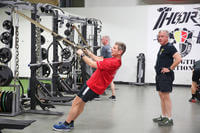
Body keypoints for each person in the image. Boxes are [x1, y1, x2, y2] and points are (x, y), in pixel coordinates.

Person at [53, 42, 126, 132]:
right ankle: (70, 121)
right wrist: (88, 53)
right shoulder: (115, 60)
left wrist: (82, 54)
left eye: (114, 48)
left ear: (120, 51)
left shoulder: (113, 62)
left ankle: (66, 124)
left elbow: (92, 64)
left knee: (76, 102)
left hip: (93, 86)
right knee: (81, 103)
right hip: (94, 84)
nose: (111, 49)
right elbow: (98, 59)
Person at [153, 30, 182, 126]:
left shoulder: (170, 47)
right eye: (159, 36)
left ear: (167, 37)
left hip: (165, 76)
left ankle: (169, 118)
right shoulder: (163, 47)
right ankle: (164, 116)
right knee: (161, 96)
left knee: (166, 96)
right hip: (159, 75)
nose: (159, 38)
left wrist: (170, 68)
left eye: (162, 36)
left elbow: (178, 59)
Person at [101, 35, 116, 100]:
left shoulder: (104, 48)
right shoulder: (110, 47)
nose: (101, 41)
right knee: (110, 81)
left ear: (106, 40)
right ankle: (113, 95)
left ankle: (97, 94)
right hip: (111, 66)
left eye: (102, 39)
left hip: (106, 66)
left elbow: (101, 58)